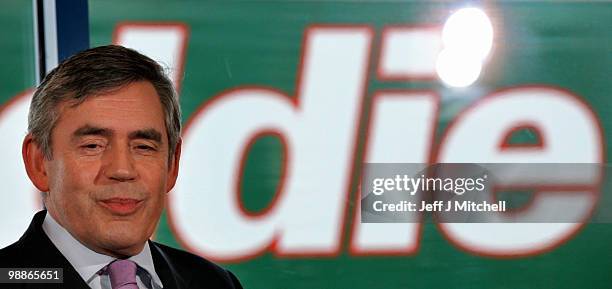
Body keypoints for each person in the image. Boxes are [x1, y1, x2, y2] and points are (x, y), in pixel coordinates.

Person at [0, 45, 243, 289]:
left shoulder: (216, 283)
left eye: (144, 147)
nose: (122, 170)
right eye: (93, 145)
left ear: (172, 164)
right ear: (39, 162)